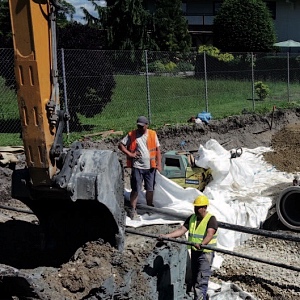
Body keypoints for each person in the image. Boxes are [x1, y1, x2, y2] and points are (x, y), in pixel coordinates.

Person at [159, 195, 218, 300]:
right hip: (195, 252)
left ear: (204, 207)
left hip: (206, 253)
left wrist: (202, 244)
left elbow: (210, 234)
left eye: (198, 207)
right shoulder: (192, 218)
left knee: (201, 280)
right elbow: (182, 230)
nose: (195, 209)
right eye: (195, 207)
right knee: (195, 277)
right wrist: (166, 236)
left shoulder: (211, 219)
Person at [118, 116, 162, 220]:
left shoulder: (152, 134)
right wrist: (130, 154)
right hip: (137, 167)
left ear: (147, 125)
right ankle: (133, 209)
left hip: (150, 166)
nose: (139, 128)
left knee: (150, 189)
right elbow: (121, 145)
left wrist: (159, 164)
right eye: (138, 126)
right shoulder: (132, 135)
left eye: (142, 126)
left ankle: (149, 207)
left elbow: (157, 150)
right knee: (136, 188)